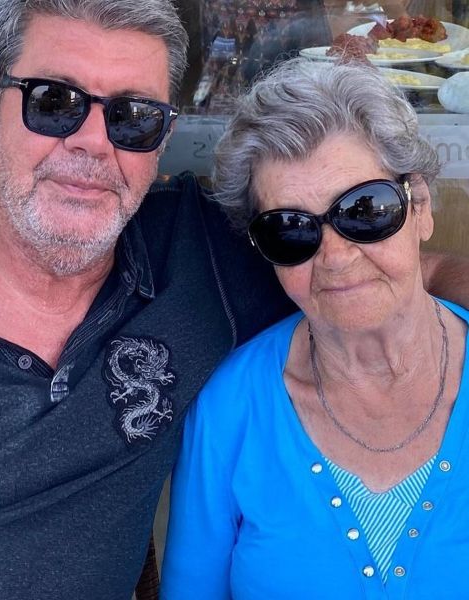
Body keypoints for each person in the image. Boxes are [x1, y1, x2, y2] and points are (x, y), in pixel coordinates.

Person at [0, 2, 465, 599]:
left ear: (161, 143)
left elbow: (383, 269)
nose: (93, 143)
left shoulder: (204, 255)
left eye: (134, 117)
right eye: (54, 101)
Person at [161, 58, 469, 599]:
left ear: (419, 206)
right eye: (290, 229)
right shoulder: (230, 407)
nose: (335, 257)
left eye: (365, 211)